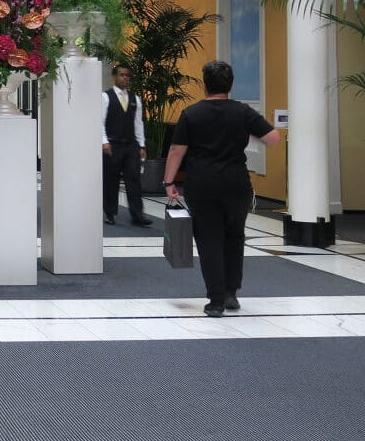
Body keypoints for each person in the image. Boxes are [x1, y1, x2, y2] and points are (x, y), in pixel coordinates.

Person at [162, 61, 282, 317]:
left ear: (205, 84)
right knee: (234, 237)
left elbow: (176, 151)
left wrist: (169, 182)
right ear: (230, 85)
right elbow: (273, 138)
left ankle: (215, 300)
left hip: (202, 185)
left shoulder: (191, 114)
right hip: (236, 184)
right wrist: (248, 134)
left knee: (209, 240)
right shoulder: (242, 112)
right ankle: (231, 293)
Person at [103, 64, 154, 227]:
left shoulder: (135, 99)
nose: (125, 78)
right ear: (114, 77)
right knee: (111, 180)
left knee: (134, 180)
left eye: (127, 76)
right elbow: (100, 122)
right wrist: (104, 142)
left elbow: (138, 123)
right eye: (122, 75)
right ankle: (110, 213)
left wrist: (142, 145)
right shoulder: (105, 97)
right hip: (112, 145)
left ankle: (137, 215)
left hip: (131, 145)